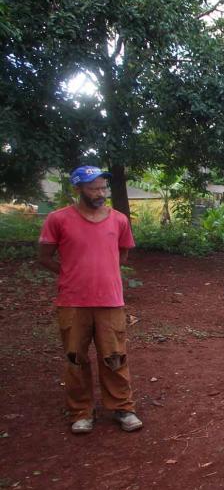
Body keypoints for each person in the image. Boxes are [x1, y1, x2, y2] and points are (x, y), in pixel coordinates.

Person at [37, 165, 143, 434]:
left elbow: (122, 255)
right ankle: (81, 412)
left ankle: (123, 408)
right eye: (93, 188)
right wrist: (71, 274)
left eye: (103, 188)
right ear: (78, 189)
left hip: (110, 300)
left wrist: (104, 274)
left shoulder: (119, 220)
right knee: (76, 359)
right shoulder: (58, 219)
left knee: (115, 357)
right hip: (73, 302)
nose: (100, 193)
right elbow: (44, 257)